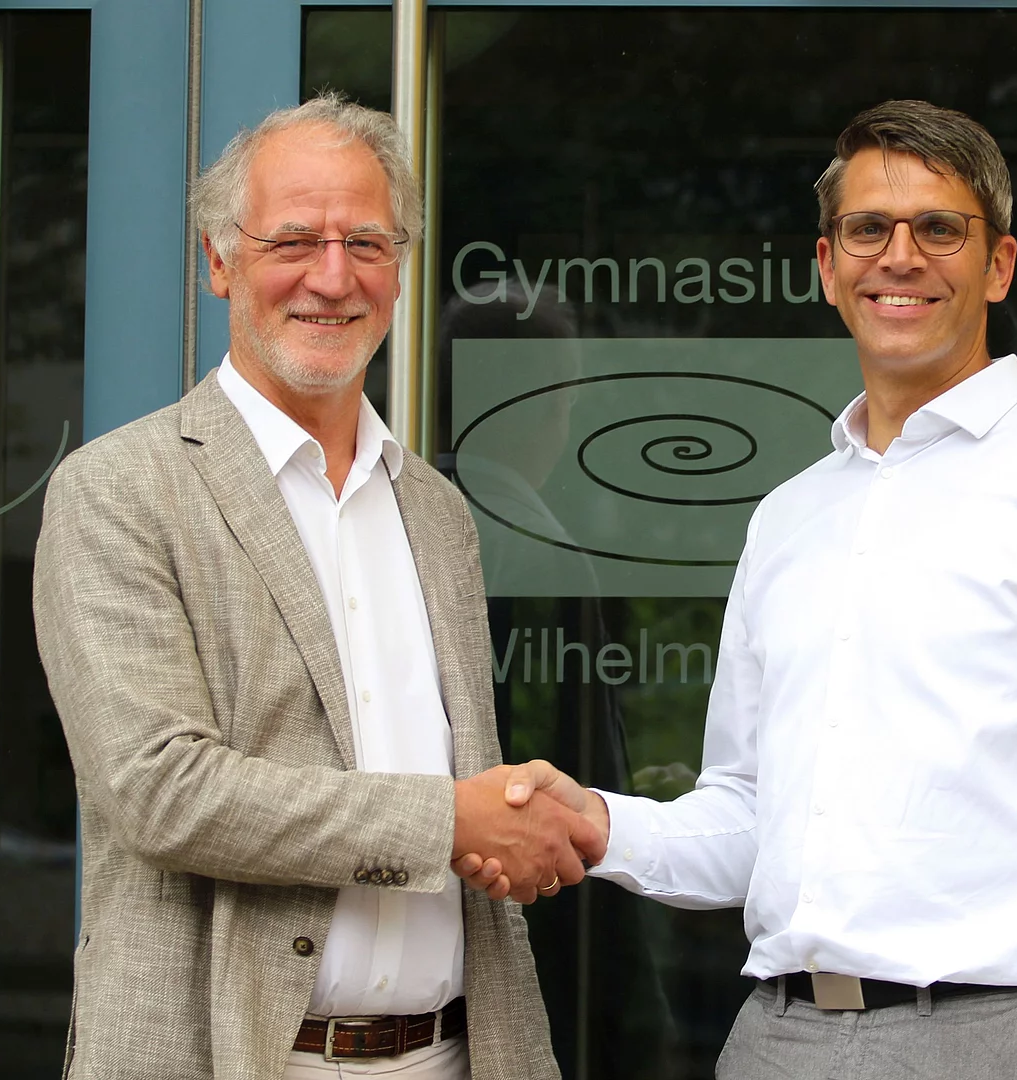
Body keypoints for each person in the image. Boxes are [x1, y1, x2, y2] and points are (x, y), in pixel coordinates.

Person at [472, 99, 1017, 1078]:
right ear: (827, 266)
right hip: (777, 1039)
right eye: (869, 229)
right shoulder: (790, 517)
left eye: (940, 229)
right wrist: (596, 820)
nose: (900, 257)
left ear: (999, 265)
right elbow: (749, 816)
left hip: (993, 1042)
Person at [32, 92, 603, 1080]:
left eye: (366, 244)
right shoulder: (118, 491)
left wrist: (516, 824)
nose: (333, 278)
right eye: (294, 241)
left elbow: (465, 787)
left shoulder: (437, 514)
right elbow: (159, 791)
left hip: (455, 1054)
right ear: (220, 262)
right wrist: (455, 821)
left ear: (400, 271)